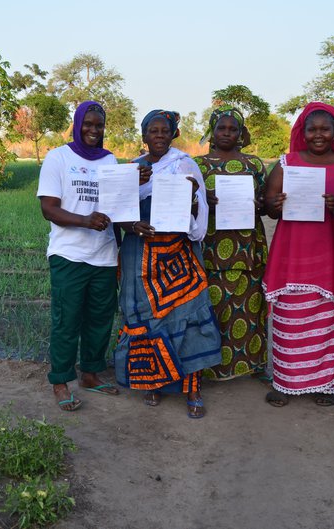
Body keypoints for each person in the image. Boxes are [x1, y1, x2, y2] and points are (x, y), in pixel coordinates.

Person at [113, 109, 222, 419]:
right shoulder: (133, 168)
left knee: (185, 314)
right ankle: (153, 382)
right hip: (140, 254)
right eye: (153, 131)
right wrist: (134, 224)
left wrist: (190, 197)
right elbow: (116, 211)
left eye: (165, 131)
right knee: (144, 317)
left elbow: (198, 211)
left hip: (178, 253)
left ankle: (193, 388)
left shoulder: (185, 164)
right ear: (144, 135)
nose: (159, 135)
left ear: (174, 134)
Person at [38, 100, 145, 412]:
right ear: (77, 123)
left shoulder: (109, 161)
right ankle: (60, 380)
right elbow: (49, 209)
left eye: (99, 125)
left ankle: (90, 373)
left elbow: (118, 206)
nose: (93, 130)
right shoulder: (58, 158)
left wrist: (135, 203)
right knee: (66, 319)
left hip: (104, 255)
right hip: (69, 254)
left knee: (99, 319)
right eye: (88, 124)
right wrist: (86, 220)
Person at [263, 102, 334, 407]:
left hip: (332, 255)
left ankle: (326, 384)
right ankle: (284, 382)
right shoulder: (286, 163)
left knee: (329, 320)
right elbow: (267, 206)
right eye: (312, 129)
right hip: (293, 254)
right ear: (302, 132)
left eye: (325, 129)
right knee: (290, 319)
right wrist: (275, 204)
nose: (318, 134)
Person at [194, 105, 269, 380]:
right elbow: (186, 204)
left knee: (249, 305)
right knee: (214, 307)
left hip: (247, 247)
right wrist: (203, 203)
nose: (227, 133)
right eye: (221, 128)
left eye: (232, 129)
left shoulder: (254, 164)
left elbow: (265, 203)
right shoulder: (198, 165)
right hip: (211, 247)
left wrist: (260, 204)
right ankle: (209, 368)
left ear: (241, 133)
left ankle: (252, 365)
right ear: (212, 131)